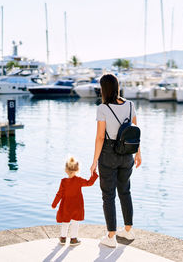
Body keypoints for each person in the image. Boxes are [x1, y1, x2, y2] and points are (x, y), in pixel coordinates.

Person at [90, 74, 142, 248]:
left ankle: (111, 236)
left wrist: (94, 161)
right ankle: (128, 230)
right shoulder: (130, 105)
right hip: (127, 153)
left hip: (108, 154)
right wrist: (138, 154)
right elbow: (134, 131)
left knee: (108, 195)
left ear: (103, 89)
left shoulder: (102, 108)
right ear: (117, 86)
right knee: (125, 191)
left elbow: (99, 137)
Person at [52, 156, 98, 245]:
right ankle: (73, 239)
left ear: (66, 170)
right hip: (77, 206)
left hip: (66, 206)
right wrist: (94, 174)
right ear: (77, 170)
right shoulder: (79, 180)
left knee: (65, 222)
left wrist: (54, 204)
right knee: (75, 223)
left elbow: (59, 194)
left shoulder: (63, 181)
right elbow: (89, 183)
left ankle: (63, 238)